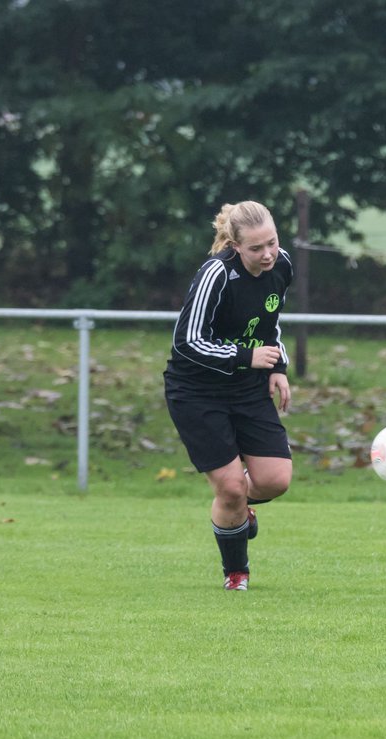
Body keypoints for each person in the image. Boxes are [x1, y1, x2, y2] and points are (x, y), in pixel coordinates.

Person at [164, 201, 294, 591]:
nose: (268, 253)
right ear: (235, 246)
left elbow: (269, 323)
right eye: (256, 248)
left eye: (272, 242)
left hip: (247, 387)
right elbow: (186, 341)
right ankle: (236, 572)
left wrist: (277, 366)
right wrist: (247, 356)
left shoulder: (283, 265)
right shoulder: (216, 274)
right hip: (197, 391)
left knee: (275, 480)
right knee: (232, 487)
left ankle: (235, 510)